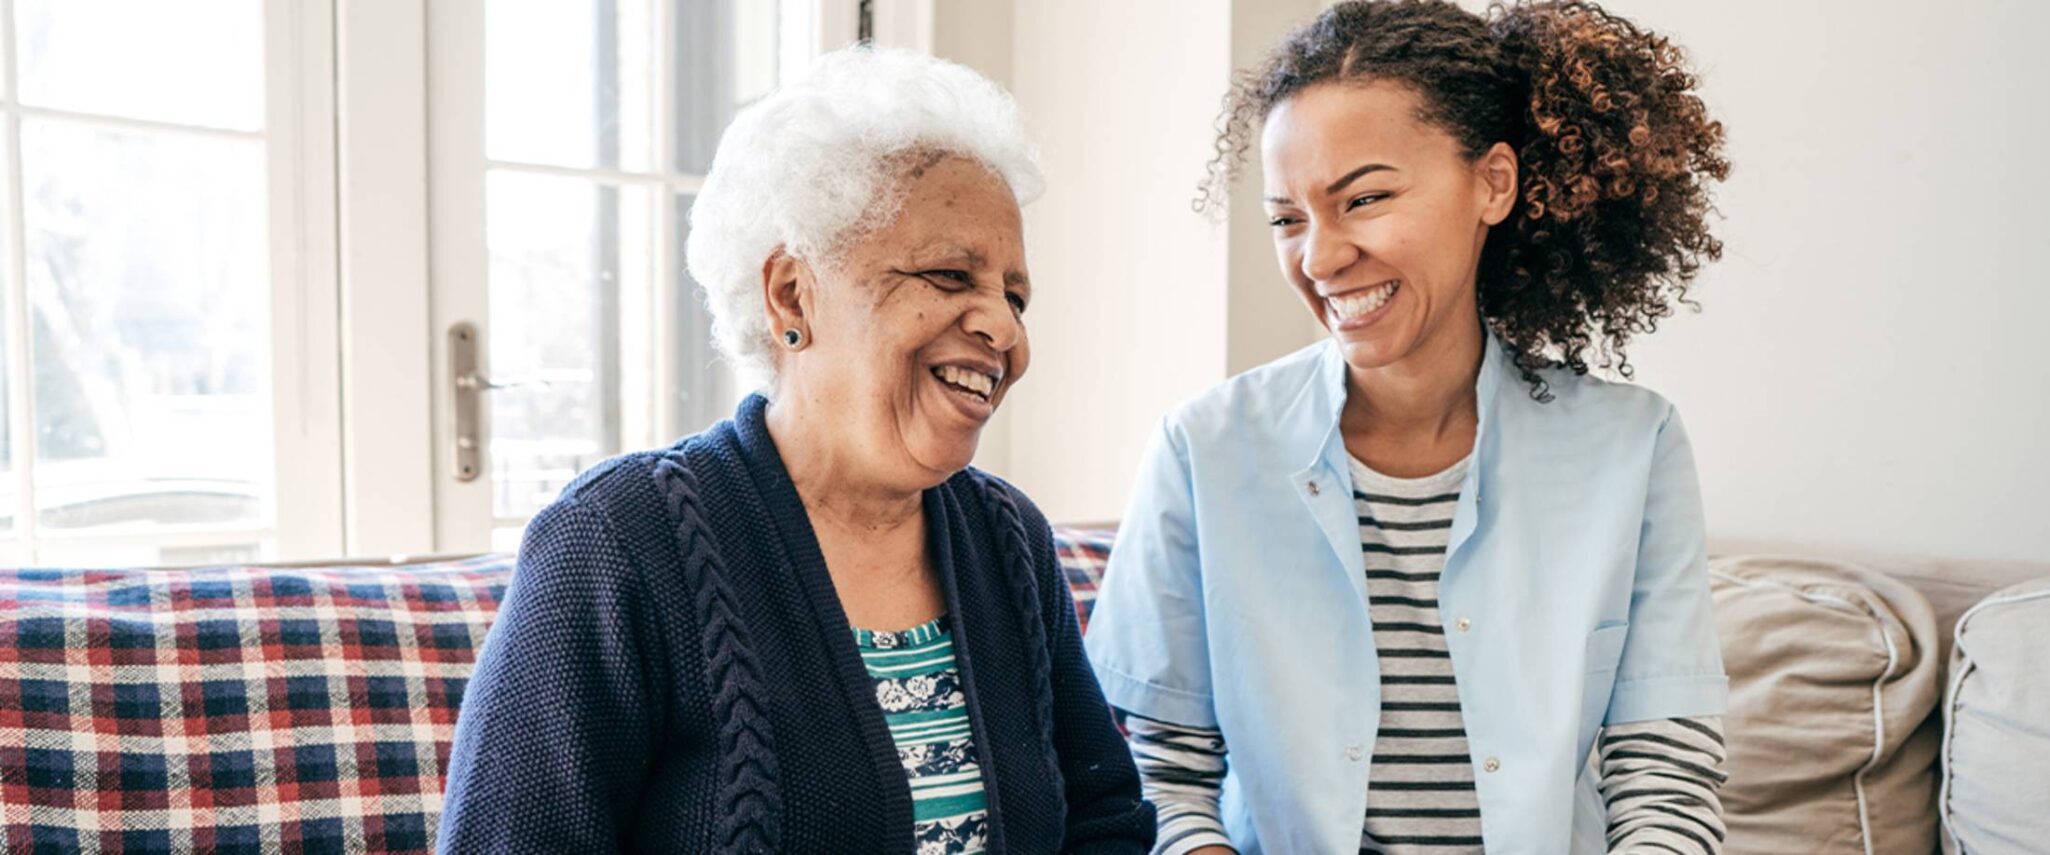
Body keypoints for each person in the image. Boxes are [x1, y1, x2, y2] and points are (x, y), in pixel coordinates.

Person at [439, 47, 1153, 854]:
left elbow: (1105, 819)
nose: (1005, 330)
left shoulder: (1006, 535)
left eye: (1015, 296)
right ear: (791, 294)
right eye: (952, 276)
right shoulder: (616, 541)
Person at [1084, 2, 1732, 852]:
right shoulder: (1203, 448)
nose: (1319, 257)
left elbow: (1665, 775)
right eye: (1288, 218)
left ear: (1492, 184)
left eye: (1366, 198)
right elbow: (1150, 770)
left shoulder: (1632, 447)